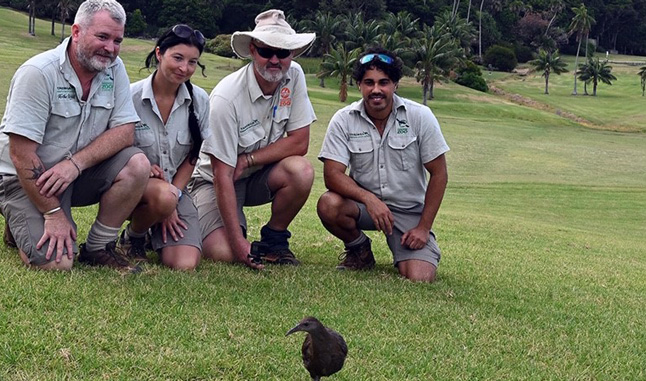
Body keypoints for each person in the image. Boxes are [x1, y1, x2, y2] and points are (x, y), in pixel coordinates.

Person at [0, 0, 150, 273]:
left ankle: (99, 247)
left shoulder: (114, 67)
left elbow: (125, 131)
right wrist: (53, 214)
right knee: (56, 262)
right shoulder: (38, 73)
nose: (110, 48)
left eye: (117, 40)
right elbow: (20, 154)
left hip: (72, 172)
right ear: (76, 32)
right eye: (102, 37)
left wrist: (75, 164)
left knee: (137, 164)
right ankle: (21, 215)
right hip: (22, 175)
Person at [189, 9, 316, 270]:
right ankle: (160, 229)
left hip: (255, 173)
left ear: (291, 55)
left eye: (283, 53)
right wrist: (238, 245)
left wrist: (248, 160)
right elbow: (222, 175)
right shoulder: (226, 99)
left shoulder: (295, 76)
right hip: (213, 180)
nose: (274, 60)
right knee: (223, 252)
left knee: (301, 171)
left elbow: (300, 142)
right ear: (252, 50)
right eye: (266, 51)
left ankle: (274, 240)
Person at [316, 47, 449, 282]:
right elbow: (332, 175)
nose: (376, 90)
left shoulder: (420, 116)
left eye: (383, 82)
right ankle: (360, 250)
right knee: (329, 204)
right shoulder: (343, 120)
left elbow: (439, 174)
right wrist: (370, 199)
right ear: (359, 85)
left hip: (409, 213)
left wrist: (423, 228)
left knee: (420, 278)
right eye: (369, 82)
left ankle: (409, 248)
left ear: (395, 84)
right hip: (364, 207)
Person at [123, 24, 209, 270]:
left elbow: (192, 158)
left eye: (193, 62)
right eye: (178, 58)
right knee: (163, 197)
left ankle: (154, 233)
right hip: (134, 187)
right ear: (159, 54)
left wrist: (174, 196)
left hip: (174, 189)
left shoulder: (200, 101)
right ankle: (134, 237)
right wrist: (141, 165)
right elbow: (117, 148)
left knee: (184, 264)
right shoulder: (131, 97)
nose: (184, 68)